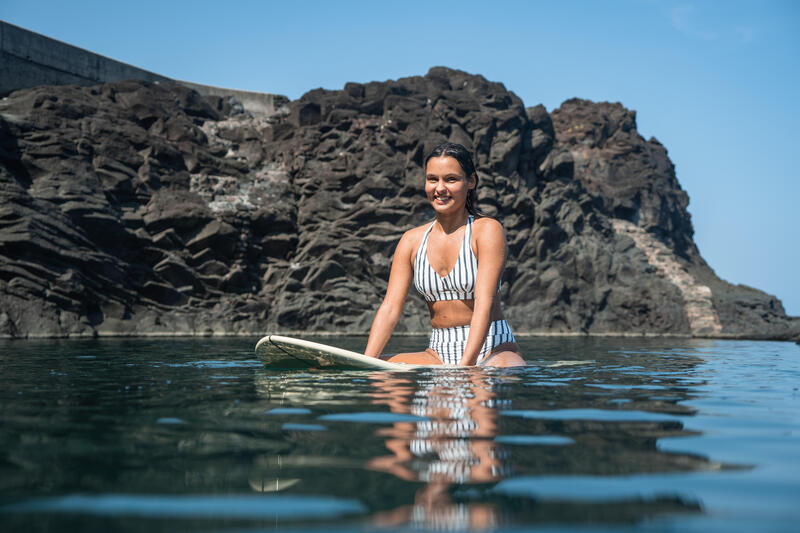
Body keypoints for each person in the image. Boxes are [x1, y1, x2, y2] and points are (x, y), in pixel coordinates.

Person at [364, 142, 525, 367]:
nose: (440, 188)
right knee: (383, 374)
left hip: (493, 348)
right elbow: (390, 307)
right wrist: (366, 364)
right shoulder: (411, 240)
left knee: (480, 386)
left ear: (471, 182)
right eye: (432, 179)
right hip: (438, 351)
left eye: (450, 179)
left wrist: (466, 366)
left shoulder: (487, 230)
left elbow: (484, 303)